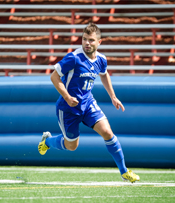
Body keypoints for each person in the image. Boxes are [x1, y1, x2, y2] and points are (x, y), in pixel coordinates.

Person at [38, 23, 140, 183]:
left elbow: (104, 74)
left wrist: (113, 96)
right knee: (72, 146)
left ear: (99, 42)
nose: (87, 43)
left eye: (91, 40)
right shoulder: (74, 58)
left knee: (108, 132)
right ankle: (48, 141)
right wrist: (67, 97)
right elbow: (54, 77)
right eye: (84, 39)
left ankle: (124, 172)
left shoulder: (101, 59)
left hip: (88, 104)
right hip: (68, 108)